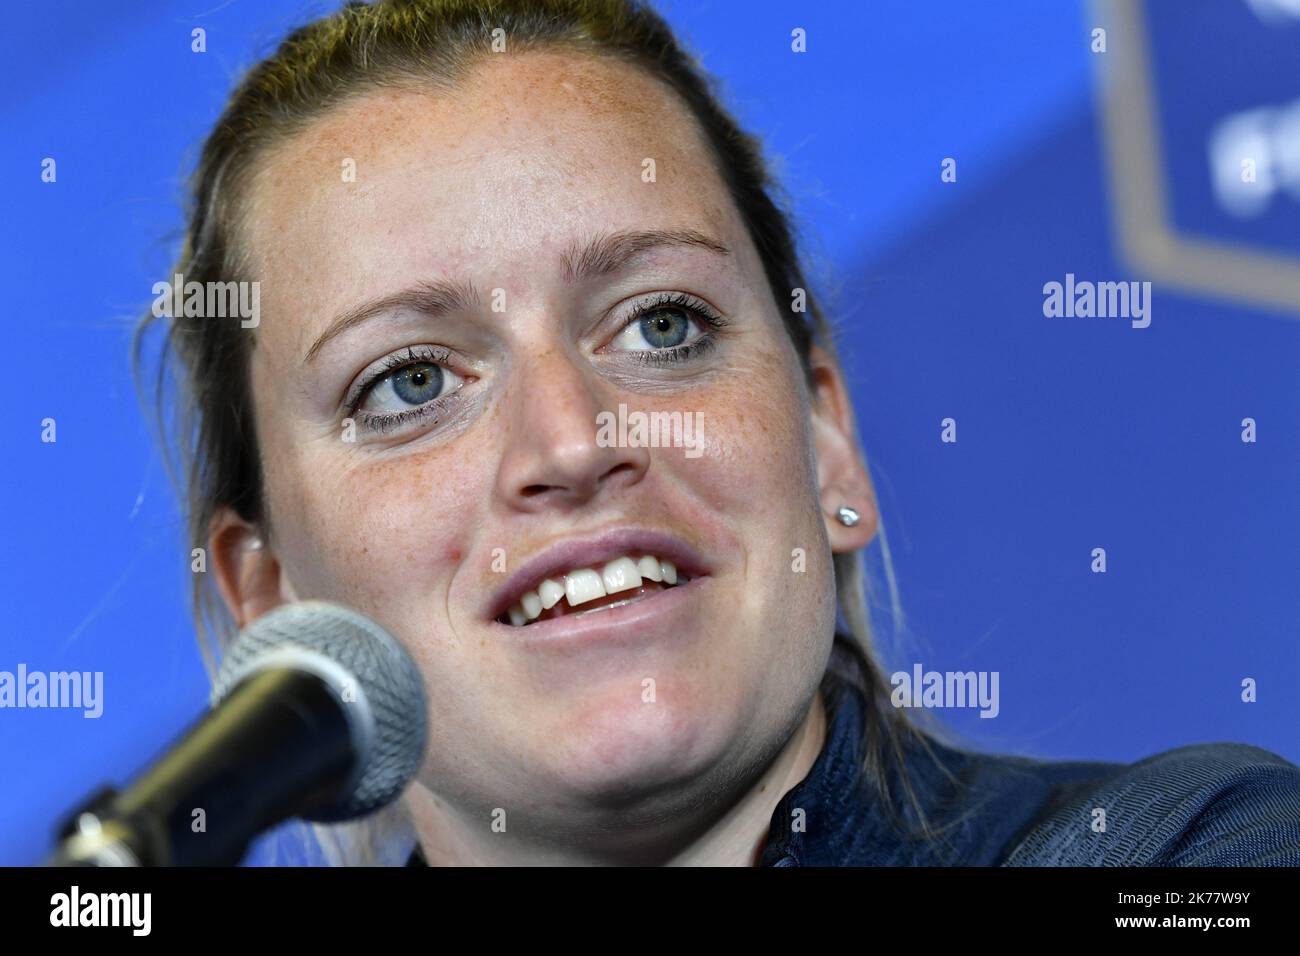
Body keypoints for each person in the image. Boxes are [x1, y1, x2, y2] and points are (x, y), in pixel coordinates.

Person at [134, 0, 1300, 866]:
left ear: (826, 438)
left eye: (662, 321)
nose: (571, 441)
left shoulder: (1192, 857)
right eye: (405, 383)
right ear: (274, 601)